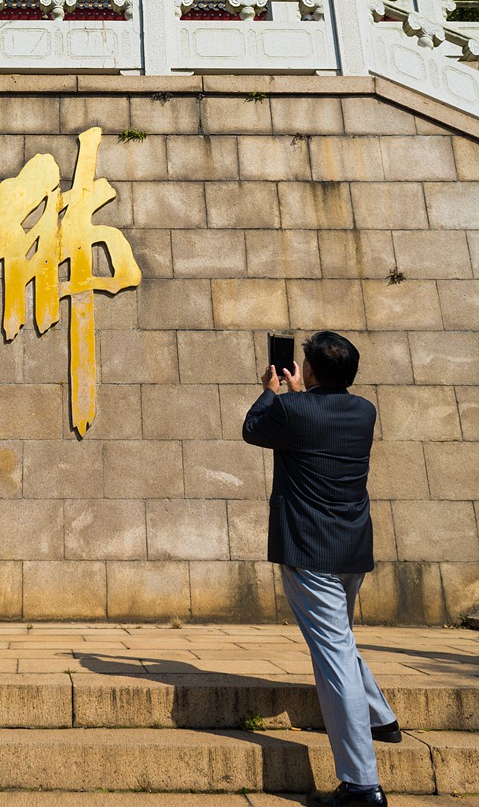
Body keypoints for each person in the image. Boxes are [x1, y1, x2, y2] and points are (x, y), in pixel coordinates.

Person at [243, 331, 401, 807]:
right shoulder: (364, 411)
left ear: (308, 370)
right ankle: (382, 718)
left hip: (309, 550)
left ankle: (361, 784)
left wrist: (271, 389)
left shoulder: (291, 410)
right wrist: (296, 396)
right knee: (340, 639)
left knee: (332, 657)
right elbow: (317, 419)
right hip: (350, 546)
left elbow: (254, 428)